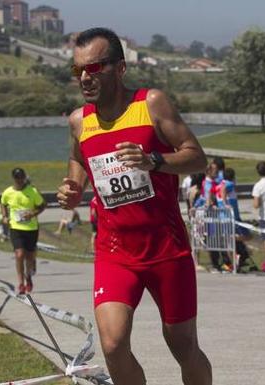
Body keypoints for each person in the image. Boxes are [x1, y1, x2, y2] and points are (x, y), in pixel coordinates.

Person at [55, 28, 211, 385]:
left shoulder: (151, 103)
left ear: (120, 68)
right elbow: (79, 159)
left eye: (94, 68)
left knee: (183, 345)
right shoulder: (80, 121)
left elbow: (196, 157)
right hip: (115, 251)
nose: (85, 78)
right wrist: (72, 188)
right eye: (77, 70)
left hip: (165, 248)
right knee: (112, 344)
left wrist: (154, 160)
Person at [0, 168, 46, 295]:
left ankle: (28, 277)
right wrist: (4, 216)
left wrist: (33, 214)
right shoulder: (8, 192)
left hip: (31, 228)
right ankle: (20, 283)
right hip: (15, 227)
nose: (19, 180)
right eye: (17, 178)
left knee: (29, 256)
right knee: (19, 254)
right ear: (13, 178)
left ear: (24, 177)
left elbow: (42, 205)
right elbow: (3, 203)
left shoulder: (32, 191)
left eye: (21, 178)